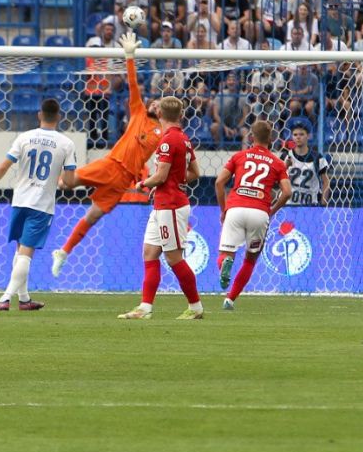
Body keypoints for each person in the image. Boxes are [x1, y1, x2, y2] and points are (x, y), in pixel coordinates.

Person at [51, 32, 161, 277]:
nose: (155, 104)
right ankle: (52, 173)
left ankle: (64, 252)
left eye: (159, 104)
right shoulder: (138, 113)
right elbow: (133, 85)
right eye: (154, 101)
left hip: (123, 180)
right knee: (67, 184)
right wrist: (129, 56)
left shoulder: (163, 133)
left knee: (93, 216)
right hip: (112, 165)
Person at [0, 98, 77, 311]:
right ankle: (5, 298)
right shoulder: (66, 143)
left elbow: (4, 166)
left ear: (40, 115)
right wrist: (58, 180)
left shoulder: (24, 137)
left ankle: (24, 299)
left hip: (19, 200)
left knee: (19, 251)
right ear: (59, 117)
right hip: (41, 205)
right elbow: (68, 182)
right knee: (26, 254)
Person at [117, 95, 204, 320]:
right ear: (181, 115)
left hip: (172, 206)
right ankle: (145, 308)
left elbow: (162, 174)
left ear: (161, 115)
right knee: (149, 252)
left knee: (174, 258)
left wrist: (145, 183)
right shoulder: (183, 139)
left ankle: (195, 307)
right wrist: (171, 180)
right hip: (163, 203)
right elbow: (195, 173)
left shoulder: (168, 141)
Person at [215, 120, 292, 310]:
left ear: (251, 137)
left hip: (235, 208)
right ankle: (230, 299)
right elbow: (288, 192)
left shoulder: (239, 156)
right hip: (260, 212)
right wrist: (271, 210)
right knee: (250, 259)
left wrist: (223, 209)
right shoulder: (277, 162)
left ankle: (226, 263)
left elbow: (219, 182)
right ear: (271, 138)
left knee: (226, 253)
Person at [282, 122, 330, 205]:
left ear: (308, 136)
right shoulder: (286, 156)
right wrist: (285, 166)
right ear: (292, 137)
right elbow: (276, 179)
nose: (298, 137)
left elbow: (326, 181)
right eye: (295, 135)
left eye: (301, 134)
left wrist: (324, 202)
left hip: (310, 205)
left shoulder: (318, 158)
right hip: (287, 205)